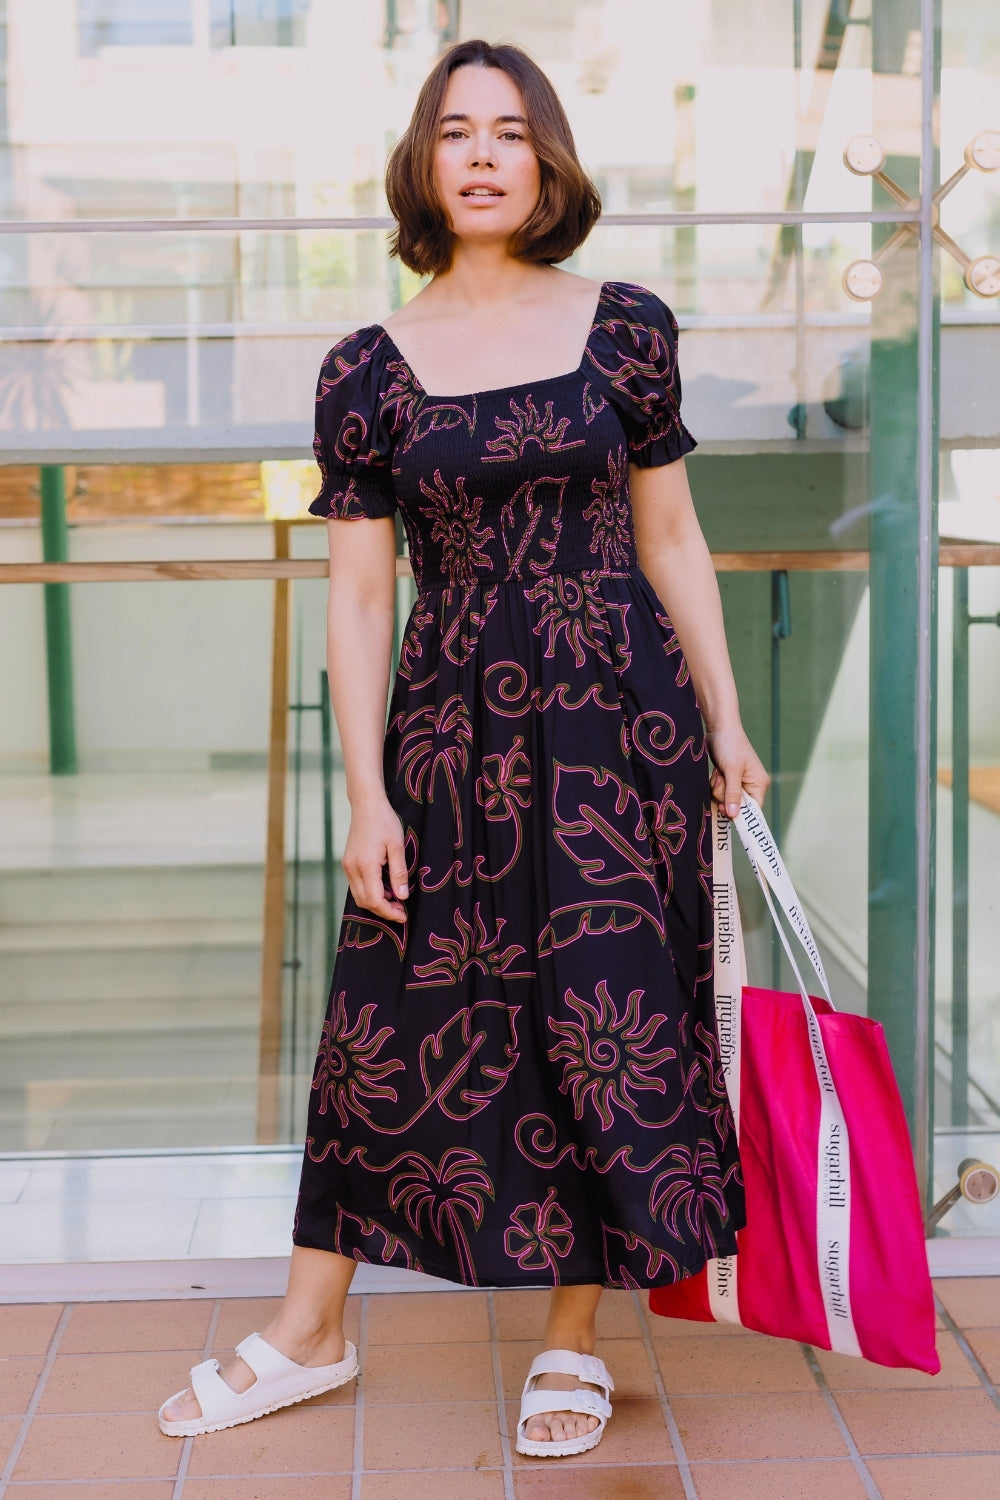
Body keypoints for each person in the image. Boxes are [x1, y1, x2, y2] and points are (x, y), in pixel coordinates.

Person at [159, 37, 768, 1458]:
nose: (484, 153)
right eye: (457, 133)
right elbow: (362, 593)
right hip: (450, 734)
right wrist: (367, 789)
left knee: (606, 1022)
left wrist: (728, 718)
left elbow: (671, 534)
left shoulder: (626, 326)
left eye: (509, 130)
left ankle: (573, 1336)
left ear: (547, 161)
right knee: (388, 1025)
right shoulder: (366, 366)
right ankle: (311, 1326)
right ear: (425, 167)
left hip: (624, 722)